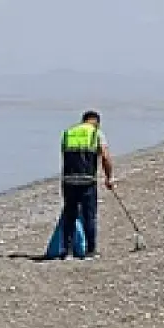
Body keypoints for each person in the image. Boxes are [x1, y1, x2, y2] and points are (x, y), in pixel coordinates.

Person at [59, 111, 114, 259]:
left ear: (83, 121)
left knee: (70, 215)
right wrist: (109, 178)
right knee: (89, 215)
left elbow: (64, 155)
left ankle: (67, 251)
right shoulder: (97, 133)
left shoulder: (68, 133)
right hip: (87, 180)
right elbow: (105, 157)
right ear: (97, 122)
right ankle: (90, 251)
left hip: (68, 179)